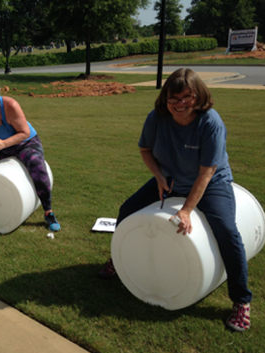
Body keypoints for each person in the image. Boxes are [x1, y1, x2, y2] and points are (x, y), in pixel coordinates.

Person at [98, 68, 252, 332]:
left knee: (227, 230)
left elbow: (207, 172)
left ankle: (241, 301)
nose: (180, 104)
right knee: (127, 210)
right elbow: (145, 150)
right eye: (174, 99)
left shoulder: (210, 122)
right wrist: (158, 176)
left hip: (211, 183)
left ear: (198, 96)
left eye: (187, 97)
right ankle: (117, 259)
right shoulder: (157, 118)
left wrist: (186, 210)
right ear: (165, 99)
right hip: (169, 178)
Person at [0, 80, 60, 232]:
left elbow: (24, 133)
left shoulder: (10, 105)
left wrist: (2, 144)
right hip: (1, 145)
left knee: (37, 165)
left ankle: (49, 212)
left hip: (25, 142)